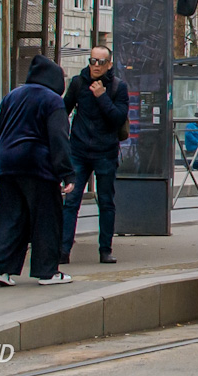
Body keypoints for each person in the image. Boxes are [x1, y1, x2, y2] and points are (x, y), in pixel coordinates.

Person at [0, 55, 75, 287]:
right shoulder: (53, 101)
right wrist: (66, 172)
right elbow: (58, 138)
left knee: (11, 216)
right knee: (47, 217)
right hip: (37, 165)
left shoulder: (12, 96)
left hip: (7, 164)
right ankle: (47, 271)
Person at [61, 46, 129, 265]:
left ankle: (105, 250)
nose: (96, 66)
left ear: (109, 64)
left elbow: (118, 118)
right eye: (93, 61)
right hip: (78, 151)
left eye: (101, 62)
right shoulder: (78, 82)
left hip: (105, 153)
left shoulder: (118, 87)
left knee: (106, 202)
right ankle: (63, 250)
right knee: (71, 201)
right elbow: (64, 110)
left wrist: (101, 97)